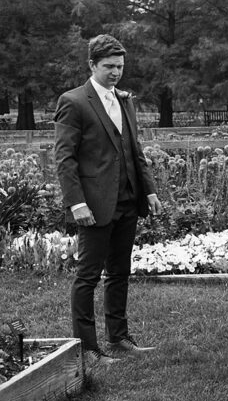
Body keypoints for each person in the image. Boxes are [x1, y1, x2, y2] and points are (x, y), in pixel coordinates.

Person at [54, 34, 163, 366]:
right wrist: (77, 203)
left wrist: (150, 190)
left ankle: (118, 337)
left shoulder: (125, 100)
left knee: (119, 272)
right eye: (109, 67)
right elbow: (65, 159)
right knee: (87, 276)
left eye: (120, 66)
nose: (116, 73)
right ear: (92, 65)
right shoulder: (74, 102)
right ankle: (88, 347)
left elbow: (135, 151)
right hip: (94, 205)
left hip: (128, 201)